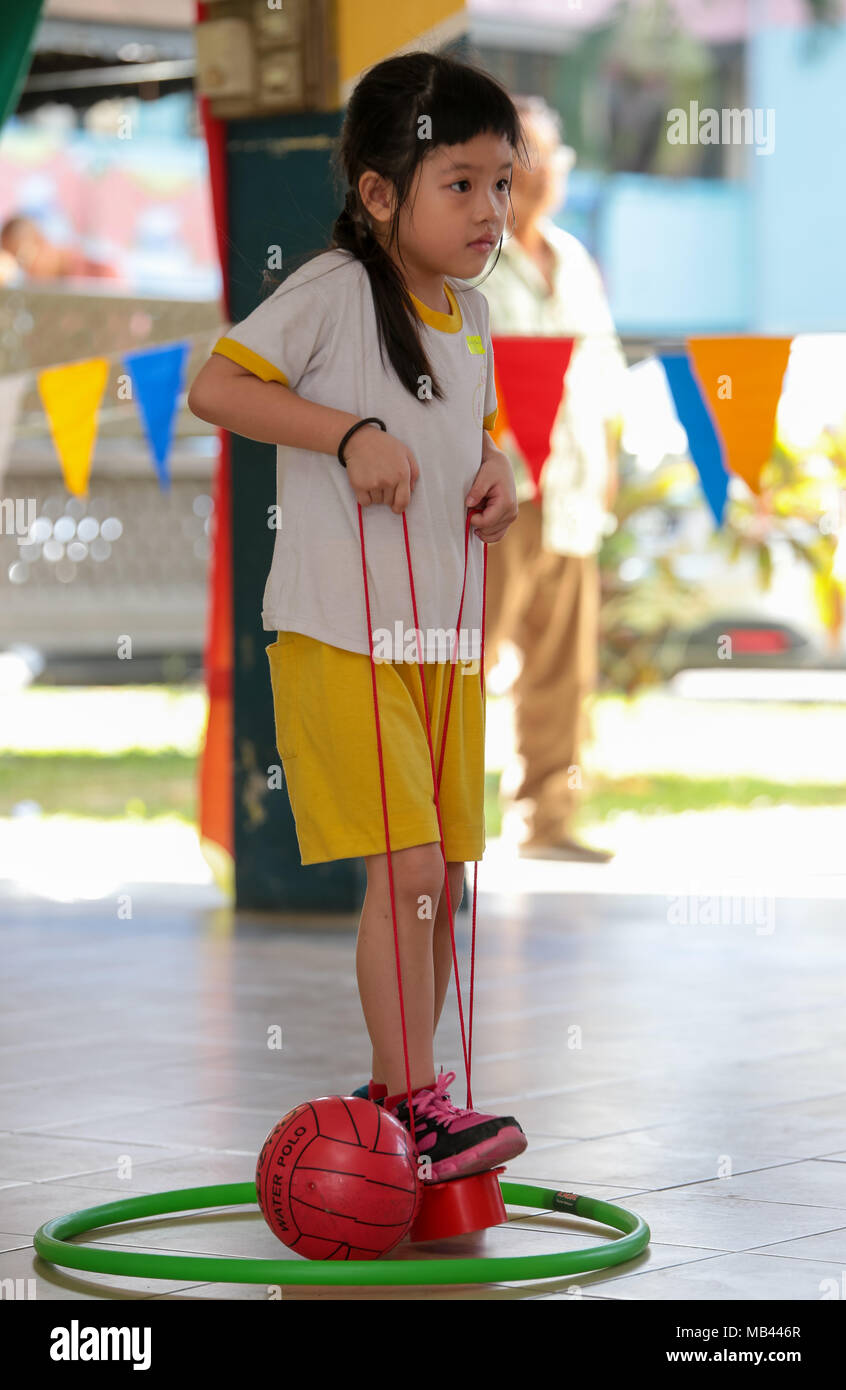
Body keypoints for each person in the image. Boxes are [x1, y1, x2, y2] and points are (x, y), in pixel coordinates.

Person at [188, 52, 533, 1184]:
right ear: (381, 193)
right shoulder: (333, 289)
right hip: (343, 633)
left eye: (502, 183)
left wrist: (500, 471)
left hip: (441, 642)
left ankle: (401, 1094)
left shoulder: (472, 314)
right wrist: (342, 434)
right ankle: (417, 1101)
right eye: (461, 184)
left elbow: (475, 435)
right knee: (411, 871)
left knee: (445, 878)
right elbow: (217, 387)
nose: (490, 210)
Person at [482, 96, 629, 862]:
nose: (542, 176)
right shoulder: (468, 255)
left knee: (562, 670)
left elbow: (599, 374)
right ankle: (436, 829)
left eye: (550, 159)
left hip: (569, 489)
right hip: (498, 489)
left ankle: (547, 819)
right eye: (526, 160)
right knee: (465, 659)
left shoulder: (571, 257)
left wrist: (604, 464)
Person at [0, 215, 120, 281]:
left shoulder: (99, 270)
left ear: (41, 242)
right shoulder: (36, 290)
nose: (26, 271)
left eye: (23, 258)